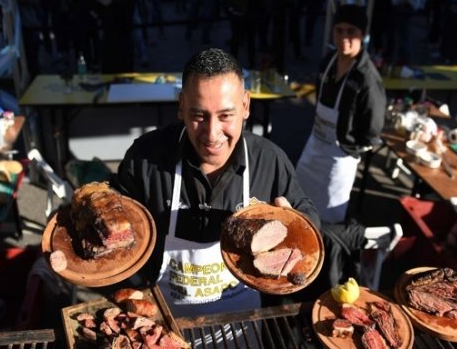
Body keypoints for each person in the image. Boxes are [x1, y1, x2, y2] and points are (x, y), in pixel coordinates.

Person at [113, 48, 320, 317]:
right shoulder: (145, 157)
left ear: (246, 106)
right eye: (199, 115)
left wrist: (295, 225)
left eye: (225, 116)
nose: (212, 135)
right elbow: (117, 215)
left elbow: (308, 220)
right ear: (181, 107)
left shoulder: (269, 161)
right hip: (165, 320)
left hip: (242, 324)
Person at [296, 5, 386, 224]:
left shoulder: (367, 79)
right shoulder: (328, 62)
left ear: (362, 35)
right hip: (314, 148)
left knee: (326, 221)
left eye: (351, 32)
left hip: (339, 159)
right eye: (339, 30)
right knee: (298, 205)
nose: (344, 38)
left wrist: (349, 147)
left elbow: (372, 131)